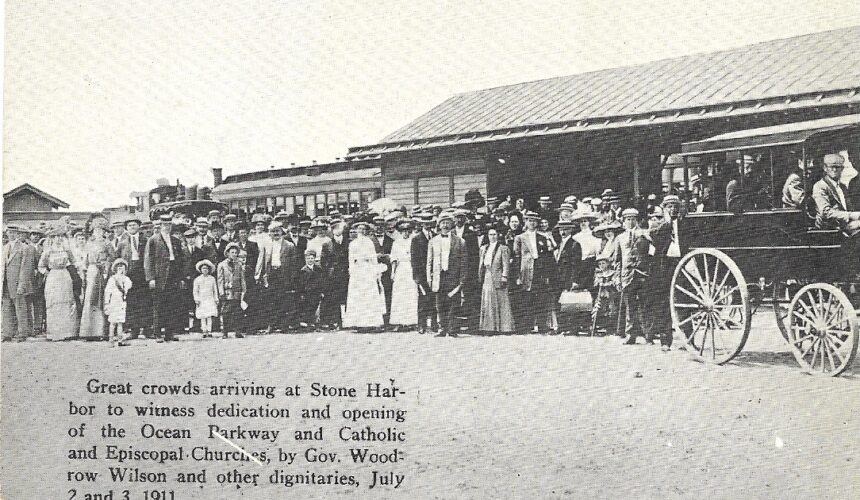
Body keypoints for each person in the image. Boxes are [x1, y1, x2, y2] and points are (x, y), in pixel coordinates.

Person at [614, 208, 671, 345]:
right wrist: (617, 278)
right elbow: (617, 260)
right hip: (627, 274)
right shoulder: (620, 238)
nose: (630, 222)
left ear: (637, 220)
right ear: (623, 221)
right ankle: (630, 335)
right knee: (630, 306)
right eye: (628, 219)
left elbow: (653, 253)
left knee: (646, 305)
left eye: (633, 219)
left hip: (643, 273)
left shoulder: (645, 234)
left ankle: (648, 335)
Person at [144, 214, 187, 342]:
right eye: (164, 225)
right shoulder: (153, 240)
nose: (167, 227)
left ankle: (170, 333)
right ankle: (157, 333)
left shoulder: (176, 241)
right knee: (158, 305)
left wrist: (181, 278)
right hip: (159, 276)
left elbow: (180, 261)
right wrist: (151, 278)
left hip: (173, 274)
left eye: (169, 225)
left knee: (172, 305)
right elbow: (148, 260)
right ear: (160, 226)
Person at [513, 211, 555, 334]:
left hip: (539, 269)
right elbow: (517, 257)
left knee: (541, 297)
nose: (532, 223)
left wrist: (546, 273)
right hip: (525, 270)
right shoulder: (520, 238)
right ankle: (526, 326)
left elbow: (547, 256)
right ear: (526, 222)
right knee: (527, 297)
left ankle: (542, 325)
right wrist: (517, 275)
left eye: (534, 221)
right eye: (529, 220)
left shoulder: (542, 237)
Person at [427, 213, 468, 337]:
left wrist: (462, 279)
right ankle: (442, 327)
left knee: (453, 303)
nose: (445, 225)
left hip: (453, 276)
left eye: (447, 222)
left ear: (452, 224)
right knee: (440, 303)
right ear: (439, 225)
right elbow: (429, 261)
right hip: (439, 276)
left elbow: (464, 262)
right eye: (442, 223)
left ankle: (452, 329)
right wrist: (429, 277)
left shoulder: (460, 241)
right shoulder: (433, 241)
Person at [256, 221, 300, 332]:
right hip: (272, 274)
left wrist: (292, 278)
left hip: (284, 274)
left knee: (284, 300)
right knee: (271, 300)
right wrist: (261, 275)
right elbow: (263, 261)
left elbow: (294, 264)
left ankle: (284, 325)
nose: (275, 233)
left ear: (282, 232)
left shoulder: (289, 246)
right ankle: (272, 325)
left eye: (277, 231)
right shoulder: (267, 245)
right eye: (272, 231)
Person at [37, 225, 78, 341]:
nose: (59, 239)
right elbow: (41, 266)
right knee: (54, 303)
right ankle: (54, 333)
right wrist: (47, 273)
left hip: (65, 276)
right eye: (56, 237)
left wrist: (76, 269)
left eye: (61, 236)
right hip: (53, 277)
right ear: (52, 238)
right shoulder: (48, 251)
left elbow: (74, 261)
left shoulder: (66, 249)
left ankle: (67, 332)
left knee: (66, 301)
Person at [343, 222, 386, 330]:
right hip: (358, 270)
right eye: (359, 229)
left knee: (369, 295)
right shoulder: (353, 244)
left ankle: (371, 322)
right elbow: (351, 259)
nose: (361, 231)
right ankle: (358, 323)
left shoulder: (369, 242)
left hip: (367, 270)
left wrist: (376, 271)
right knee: (358, 295)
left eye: (363, 229)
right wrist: (352, 270)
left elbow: (373, 258)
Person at [115, 217, 151, 338]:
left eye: (134, 225)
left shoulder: (146, 240)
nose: (132, 227)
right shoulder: (123, 243)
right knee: (131, 301)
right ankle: (133, 329)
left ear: (138, 227)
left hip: (142, 272)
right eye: (130, 226)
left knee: (145, 300)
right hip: (129, 273)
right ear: (127, 228)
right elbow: (118, 258)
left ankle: (146, 328)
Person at [79, 217, 114, 339]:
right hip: (92, 271)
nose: (98, 232)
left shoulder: (108, 244)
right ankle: (89, 331)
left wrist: (106, 269)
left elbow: (111, 258)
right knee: (90, 298)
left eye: (101, 230)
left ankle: (101, 331)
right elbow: (85, 259)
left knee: (102, 298)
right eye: (96, 230)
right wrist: (84, 271)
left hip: (103, 272)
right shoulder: (89, 243)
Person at [478, 227, 514, 334]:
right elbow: (482, 263)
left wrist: (504, 276)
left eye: (494, 234)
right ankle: (489, 327)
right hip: (487, 275)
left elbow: (506, 264)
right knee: (488, 300)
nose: (492, 237)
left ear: (498, 235)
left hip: (498, 275)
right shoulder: (484, 248)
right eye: (490, 234)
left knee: (502, 300)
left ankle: (505, 327)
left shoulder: (503, 248)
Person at [812, 153, 860, 232]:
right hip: (828, 230)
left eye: (837, 167)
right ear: (825, 168)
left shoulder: (842, 187)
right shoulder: (820, 186)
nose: (834, 170)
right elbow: (825, 213)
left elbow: (848, 208)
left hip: (843, 227)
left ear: (842, 169)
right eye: (831, 167)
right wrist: (852, 215)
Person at [554, 220, 583, 335]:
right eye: (561, 229)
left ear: (570, 230)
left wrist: (575, 280)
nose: (563, 232)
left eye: (565, 229)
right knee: (560, 302)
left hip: (568, 277)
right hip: (559, 278)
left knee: (570, 302)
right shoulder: (560, 244)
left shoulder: (575, 244)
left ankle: (572, 327)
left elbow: (576, 264)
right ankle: (562, 326)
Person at [389, 220, 418, 330]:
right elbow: (394, 258)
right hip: (401, 269)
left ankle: (412, 321)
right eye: (403, 231)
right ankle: (399, 321)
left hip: (411, 268)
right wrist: (393, 272)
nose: (406, 233)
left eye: (408, 231)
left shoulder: (413, 241)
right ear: (400, 232)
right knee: (400, 295)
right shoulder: (396, 242)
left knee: (411, 294)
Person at [411, 213, 436, 334]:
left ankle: (435, 324)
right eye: (425, 223)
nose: (427, 225)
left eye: (429, 223)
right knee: (423, 299)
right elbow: (414, 258)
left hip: (434, 272)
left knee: (434, 298)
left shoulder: (436, 236)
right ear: (422, 224)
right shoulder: (416, 238)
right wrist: (416, 276)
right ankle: (422, 324)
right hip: (422, 273)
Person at [216, 242, 247, 339]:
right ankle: (225, 331)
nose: (234, 254)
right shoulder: (222, 265)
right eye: (232, 252)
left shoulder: (239, 265)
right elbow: (220, 280)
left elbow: (242, 279)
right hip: (227, 292)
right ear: (227, 253)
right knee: (226, 312)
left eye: (235, 252)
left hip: (237, 291)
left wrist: (243, 290)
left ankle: (237, 331)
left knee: (237, 312)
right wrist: (221, 292)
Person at [326, 219, 350, 329]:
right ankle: (337, 322)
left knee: (347, 298)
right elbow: (324, 261)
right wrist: (330, 271)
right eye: (334, 228)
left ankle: (348, 321)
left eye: (338, 227)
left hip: (347, 274)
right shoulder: (327, 244)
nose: (337, 230)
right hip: (334, 276)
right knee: (335, 299)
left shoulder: (348, 242)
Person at [104, 258, 133, 347]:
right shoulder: (112, 279)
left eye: (123, 267)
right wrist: (106, 303)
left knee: (120, 322)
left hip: (121, 302)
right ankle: (111, 339)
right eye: (119, 267)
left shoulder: (126, 279)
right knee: (112, 322)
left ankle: (120, 339)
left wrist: (124, 280)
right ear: (115, 269)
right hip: (114, 302)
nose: (121, 269)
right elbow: (107, 291)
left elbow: (129, 286)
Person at [298, 249, 326, 329]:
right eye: (308, 258)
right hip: (308, 293)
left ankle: (316, 322)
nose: (310, 260)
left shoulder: (318, 269)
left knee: (316, 306)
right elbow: (301, 284)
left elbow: (321, 281)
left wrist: (321, 291)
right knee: (308, 307)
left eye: (312, 258)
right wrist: (302, 293)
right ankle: (307, 322)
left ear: (314, 259)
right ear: (305, 259)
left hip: (316, 292)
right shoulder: (303, 270)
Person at [193, 259, 219, 338]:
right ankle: (204, 330)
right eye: (203, 268)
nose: (205, 270)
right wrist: (196, 299)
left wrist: (216, 298)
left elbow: (215, 289)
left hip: (210, 298)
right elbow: (195, 291)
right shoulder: (197, 279)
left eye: (206, 268)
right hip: (202, 299)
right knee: (203, 316)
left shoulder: (212, 279)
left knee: (209, 315)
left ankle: (209, 330)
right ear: (200, 270)